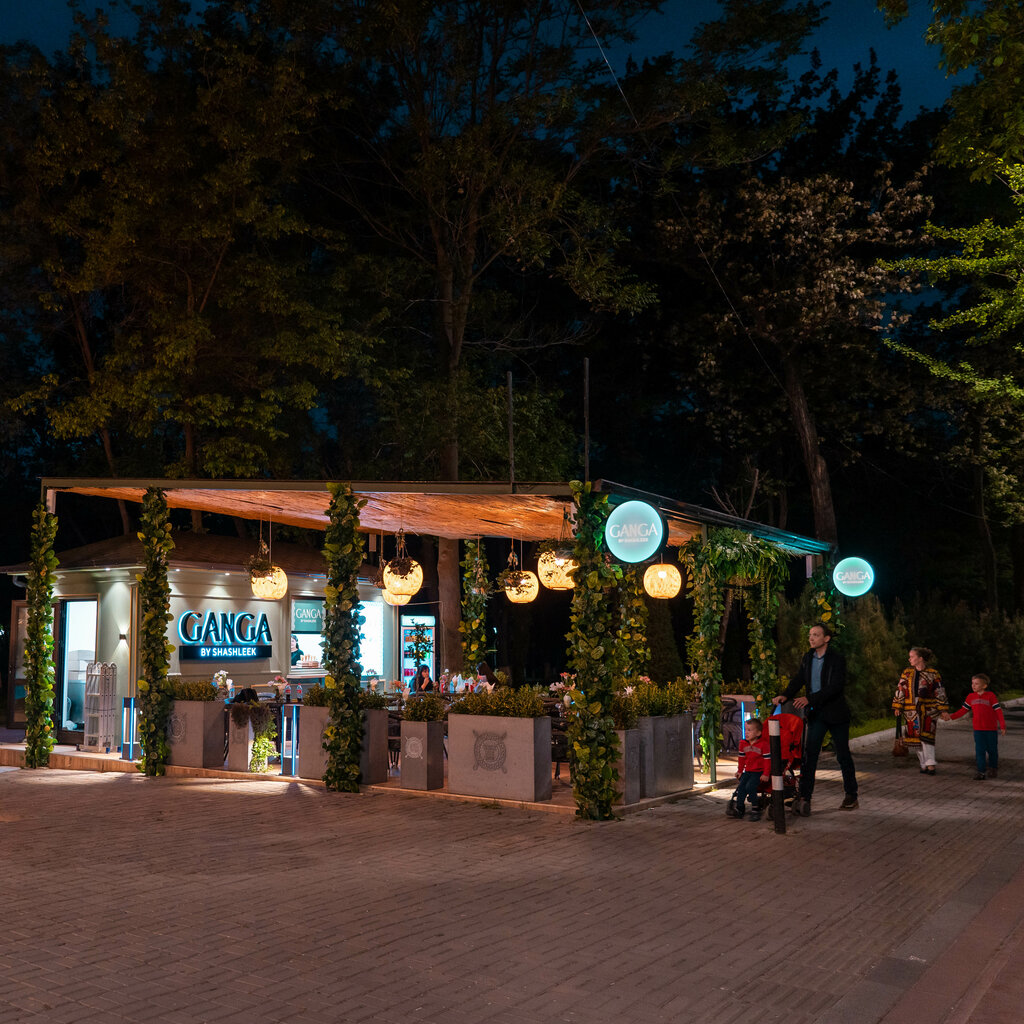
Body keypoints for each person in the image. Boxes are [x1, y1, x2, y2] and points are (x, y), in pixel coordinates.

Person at [773, 622, 858, 815]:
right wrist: (785, 695)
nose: (811, 638)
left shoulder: (836, 659)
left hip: (836, 714)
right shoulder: (808, 658)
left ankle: (851, 795)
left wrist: (810, 699)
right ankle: (805, 797)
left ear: (826, 638)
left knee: (842, 755)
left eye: (816, 635)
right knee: (809, 755)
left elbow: (835, 686)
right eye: (810, 635)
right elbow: (800, 679)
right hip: (817, 714)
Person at [892, 646, 948, 775]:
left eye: (912, 656)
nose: (909, 659)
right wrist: (897, 705)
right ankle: (923, 764)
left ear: (920, 658)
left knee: (928, 737)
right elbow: (900, 689)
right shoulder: (906, 673)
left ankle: (930, 764)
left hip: (929, 710)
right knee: (915, 739)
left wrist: (943, 709)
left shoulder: (933, 673)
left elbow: (939, 691)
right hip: (910, 710)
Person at [943, 673, 1006, 780]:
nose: (973, 685)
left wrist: (1002, 725)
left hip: (991, 729)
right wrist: (951, 717)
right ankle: (981, 772)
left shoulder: (991, 696)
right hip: (978, 730)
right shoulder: (970, 697)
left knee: (992, 750)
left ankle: (993, 768)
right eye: (972, 683)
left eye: (976, 684)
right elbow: (963, 710)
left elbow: (998, 711)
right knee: (980, 751)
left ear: (984, 686)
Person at [729, 718, 769, 821]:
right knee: (741, 787)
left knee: (750, 786)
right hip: (748, 771)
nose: (746, 732)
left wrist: (766, 773)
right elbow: (741, 759)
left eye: (749, 730)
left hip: (759, 772)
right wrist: (739, 771)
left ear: (758, 733)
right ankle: (740, 808)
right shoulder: (743, 743)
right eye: (745, 729)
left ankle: (755, 808)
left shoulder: (763, 744)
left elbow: (767, 760)